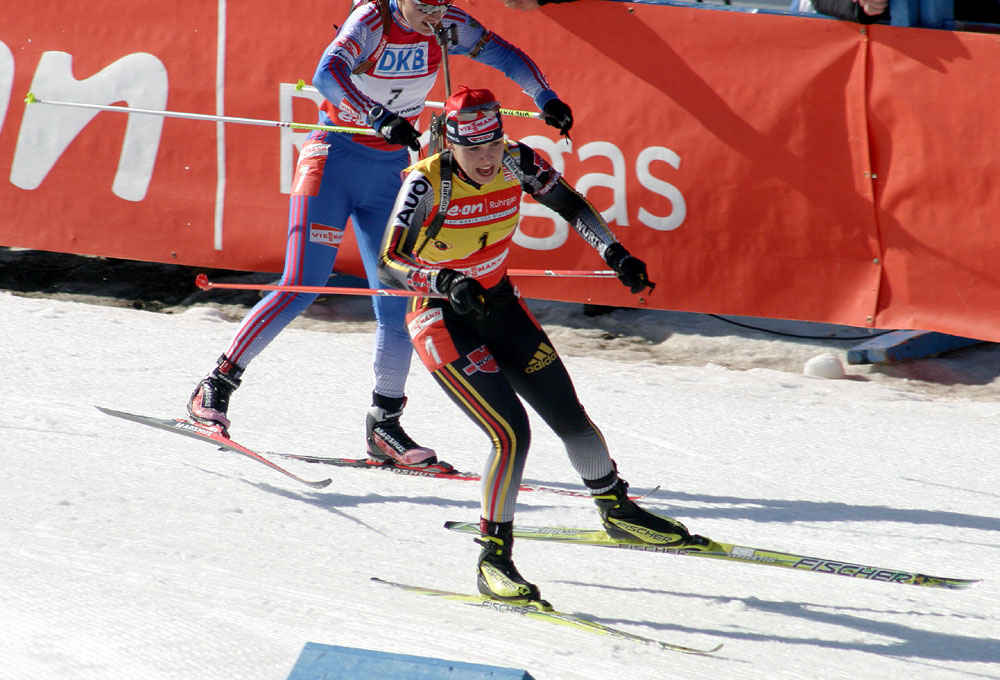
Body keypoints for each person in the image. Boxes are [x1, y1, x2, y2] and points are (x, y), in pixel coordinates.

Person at [186, 0, 574, 472]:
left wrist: (545, 97)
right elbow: (326, 72)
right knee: (302, 283)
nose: (432, 15)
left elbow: (507, 55)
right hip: (335, 157)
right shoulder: (373, 20)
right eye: (421, 5)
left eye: (438, 4)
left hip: (390, 169)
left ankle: (384, 425)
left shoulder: (449, 23)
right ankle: (216, 385)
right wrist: (376, 115)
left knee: (399, 299)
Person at [377, 87, 709, 606]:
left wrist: (615, 253)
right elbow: (390, 262)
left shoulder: (517, 161)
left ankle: (616, 509)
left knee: (568, 412)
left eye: (494, 144)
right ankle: (493, 559)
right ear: (451, 143)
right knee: (511, 433)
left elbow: (571, 204)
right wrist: (445, 282)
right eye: (474, 149)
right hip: (443, 320)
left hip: (501, 308)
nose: (487, 159)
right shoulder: (427, 183)